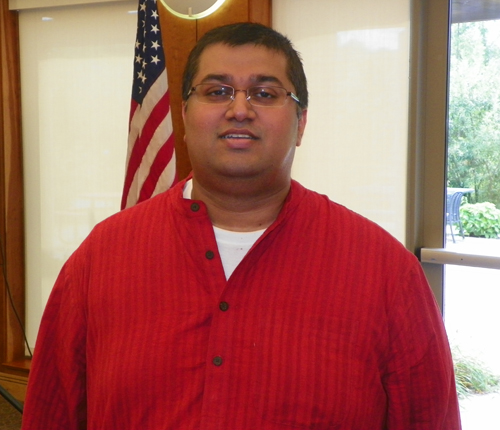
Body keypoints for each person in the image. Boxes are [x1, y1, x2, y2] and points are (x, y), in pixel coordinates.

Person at [22, 22, 461, 430]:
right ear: (184, 115)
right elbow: (51, 414)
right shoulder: (102, 258)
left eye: (265, 94)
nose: (239, 109)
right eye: (216, 91)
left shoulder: (384, 271)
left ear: (301, 123)